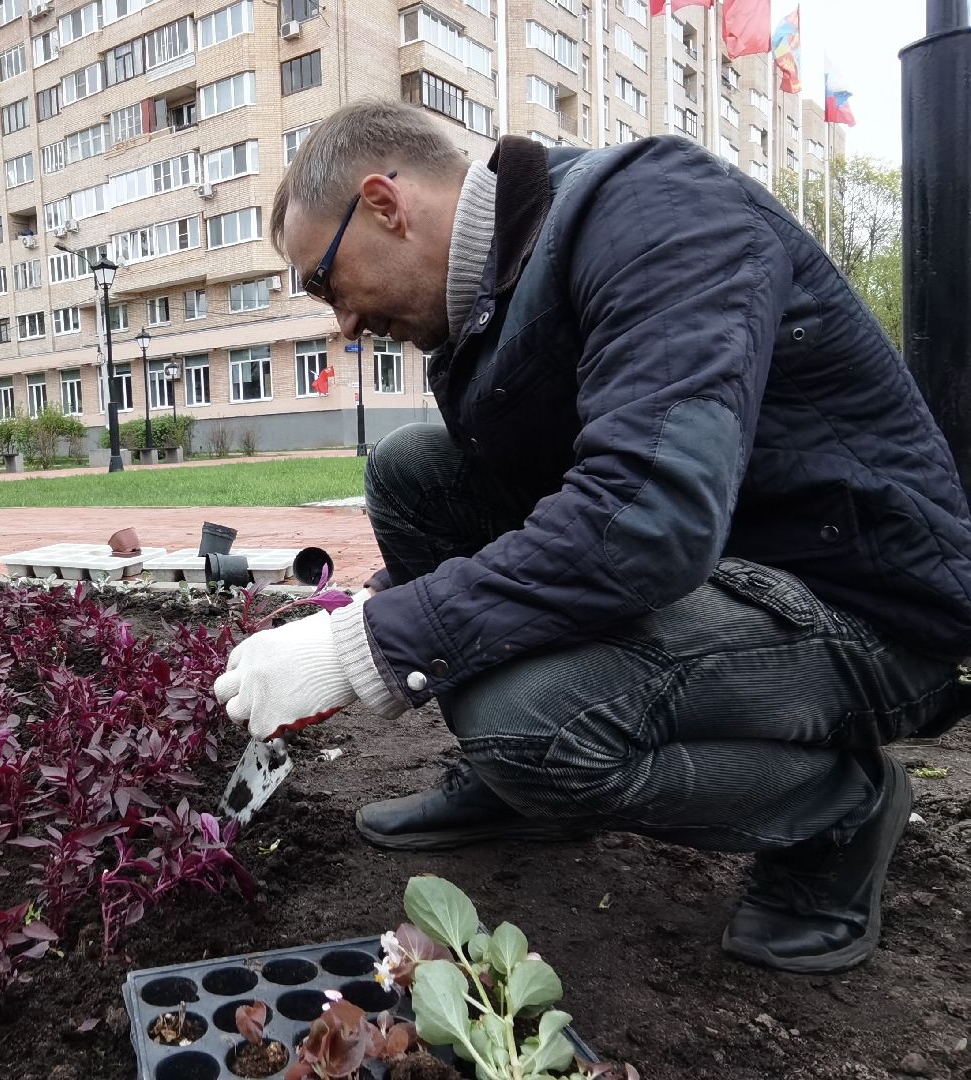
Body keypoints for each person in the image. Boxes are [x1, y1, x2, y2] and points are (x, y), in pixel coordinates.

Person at [214, 100, 971, 976]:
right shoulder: (487, 305)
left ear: (384, 203)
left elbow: (645, 519)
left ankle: (839, 813)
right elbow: (552, 511)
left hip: (864, 607)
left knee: (524, 723)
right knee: (412, 472)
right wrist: (380, 604)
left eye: (323, 282)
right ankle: (519, 796)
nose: (338, 323)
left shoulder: (656, 211)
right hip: (728, 568)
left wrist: (364, 647)